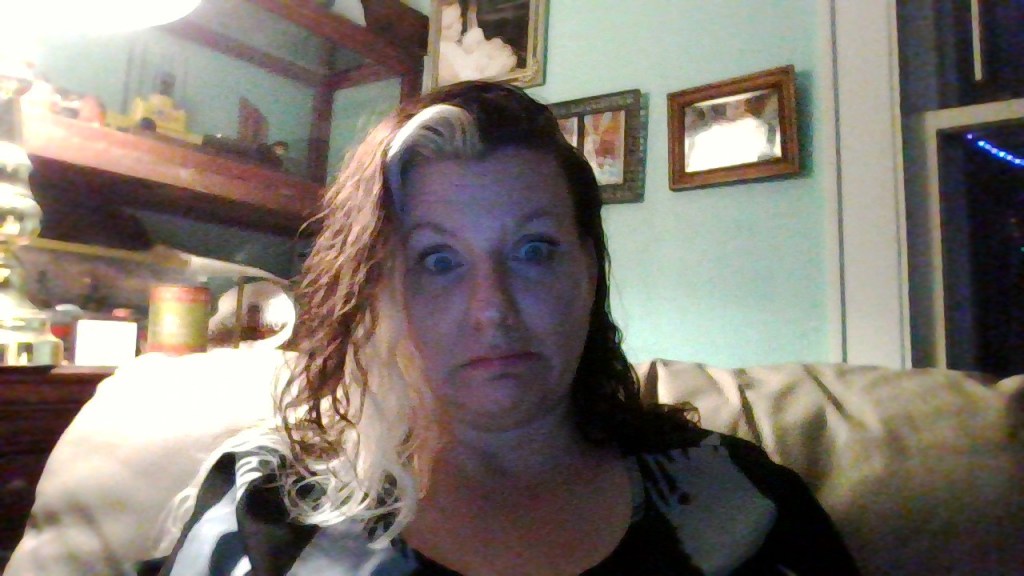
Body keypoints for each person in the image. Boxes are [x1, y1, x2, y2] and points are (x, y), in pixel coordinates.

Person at [144, 81, 860, 575]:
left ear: (589, 271)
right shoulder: (268, 503)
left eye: (534, 251)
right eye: (439, 261)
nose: (492, 309)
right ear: (380, 287)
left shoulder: (742, 502)